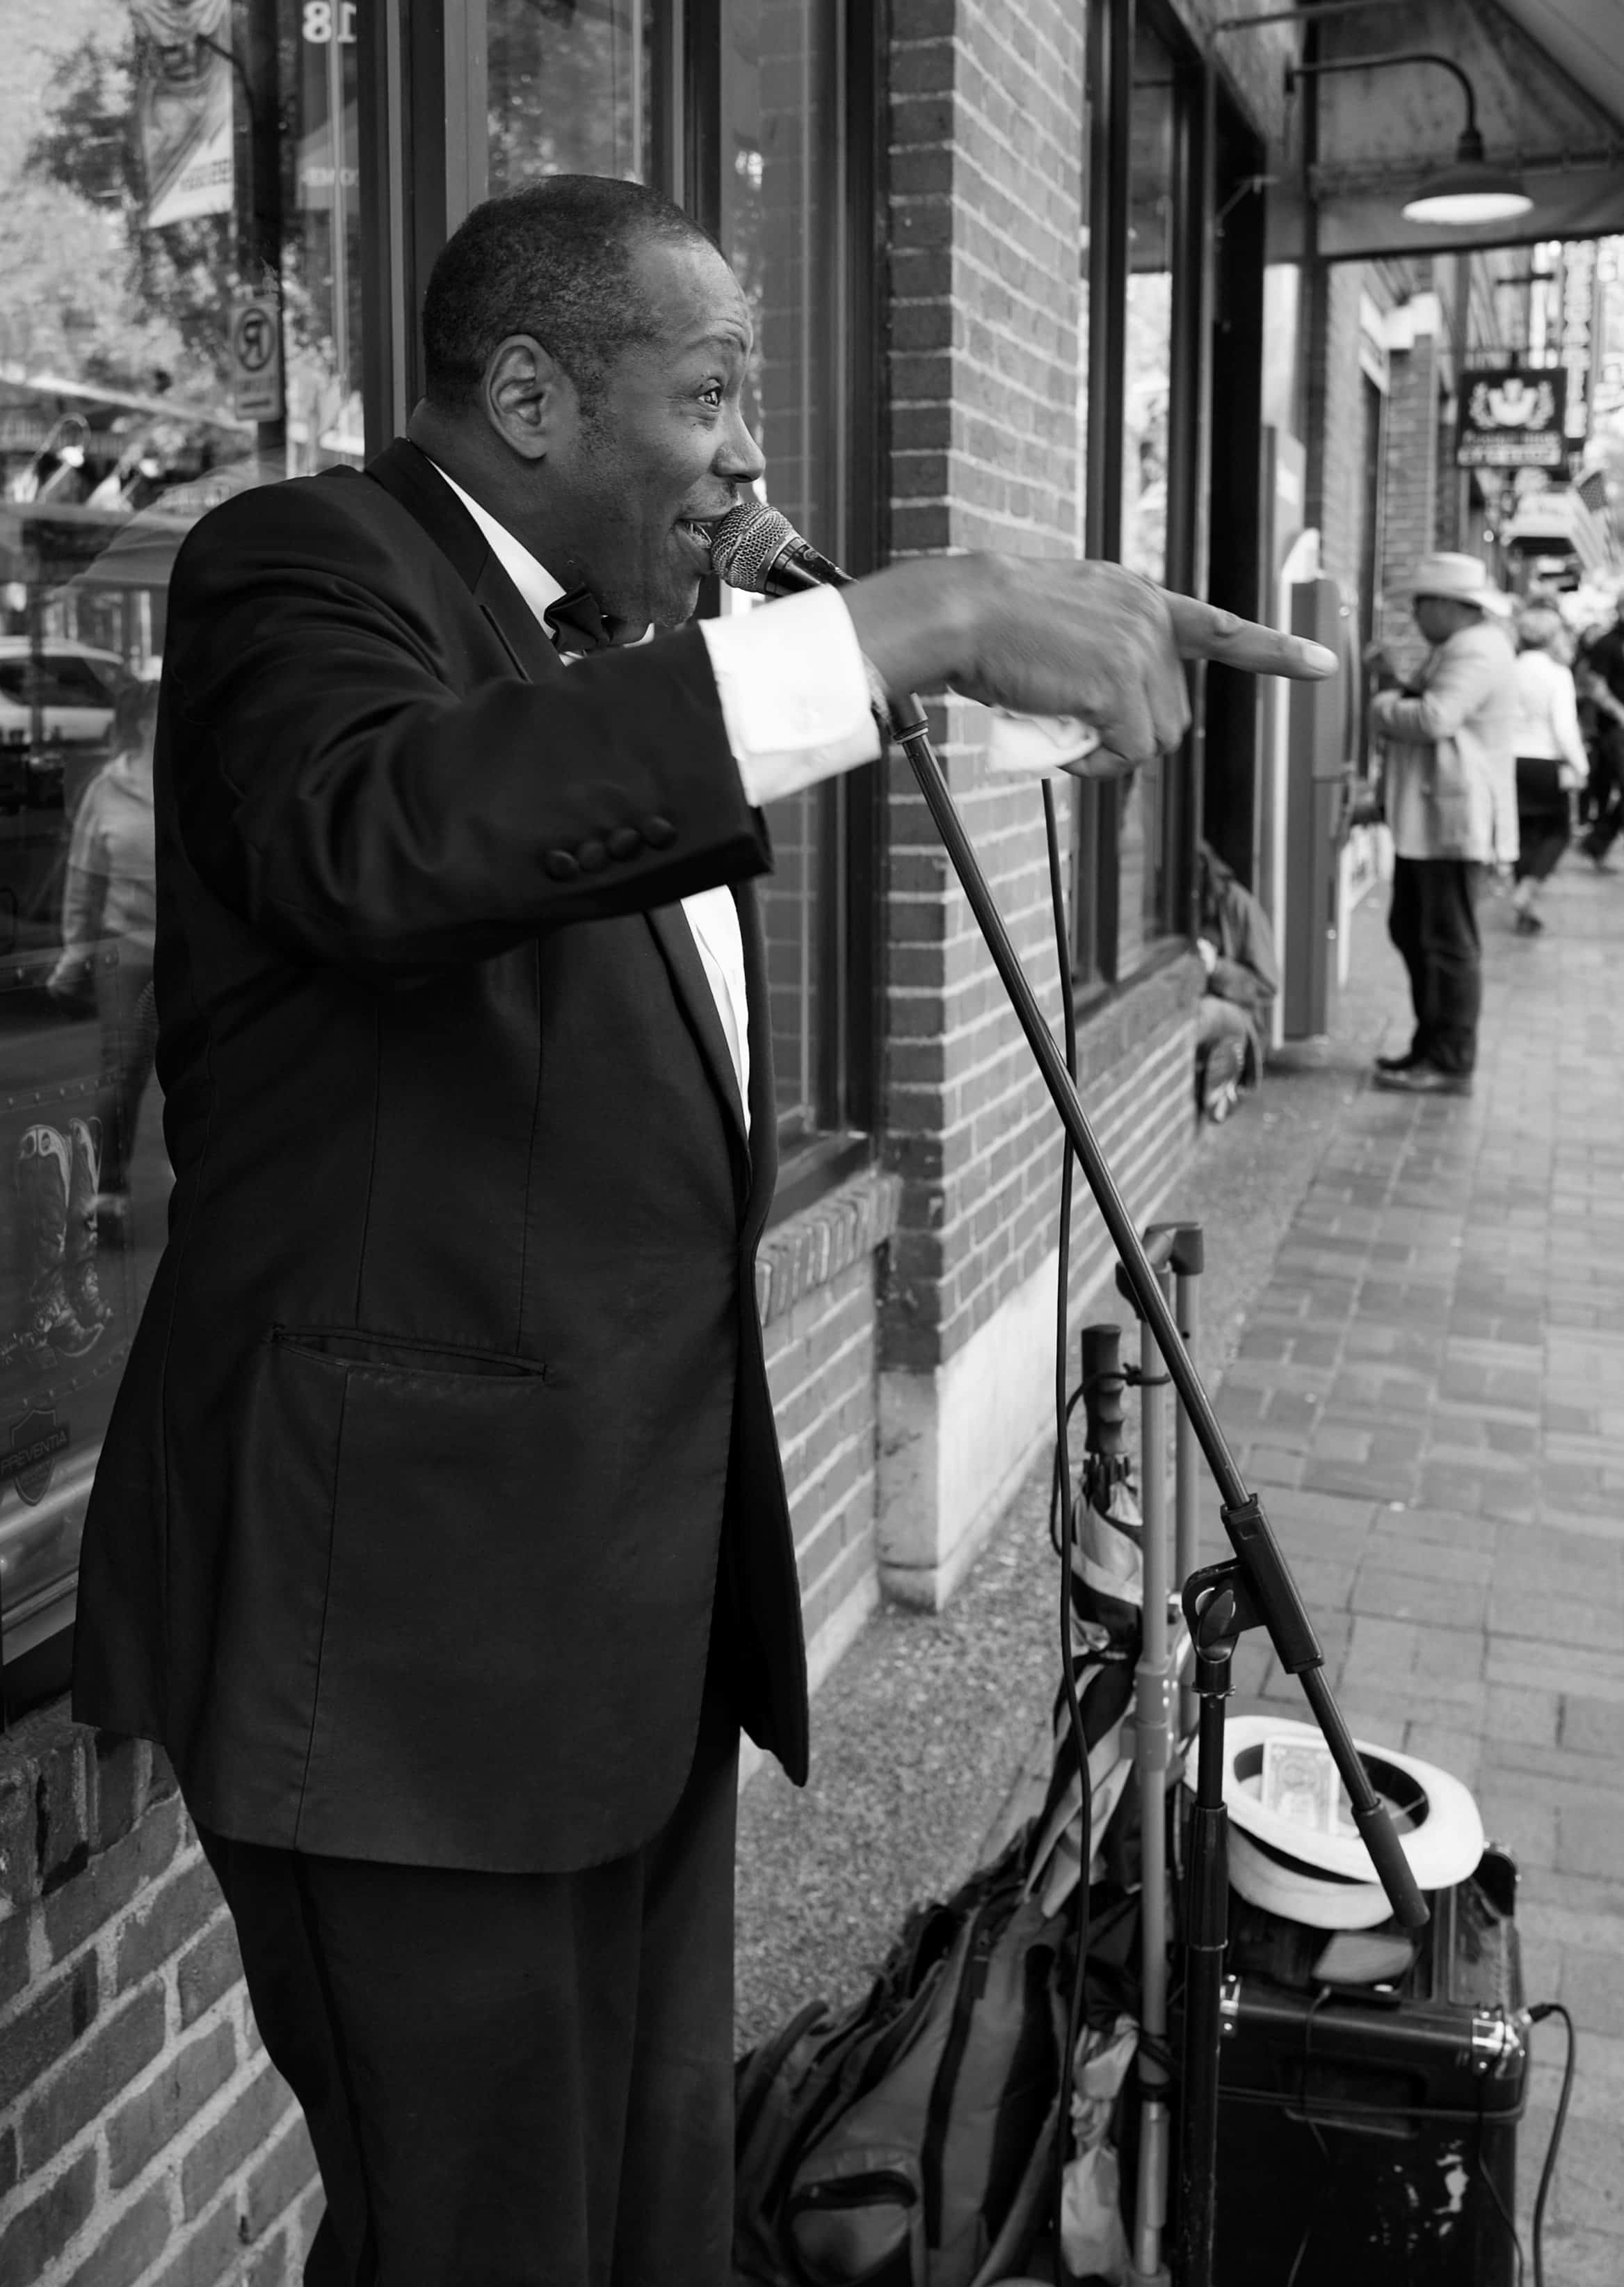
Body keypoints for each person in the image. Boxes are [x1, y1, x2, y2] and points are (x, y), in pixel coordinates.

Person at [70, 176, 1335, 2287]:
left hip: (619, 1621)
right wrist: (911, 618)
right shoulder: (302, 564)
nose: (751, 452)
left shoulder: (625, 659)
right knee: (481, 2235)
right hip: (399, 1659)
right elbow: (387, 836)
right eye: (712, 393)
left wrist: (963, 659)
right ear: (530, 396)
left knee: (645, 2212)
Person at [1368, 552, 1517, 1098]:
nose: (1413, 615)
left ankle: (1449, 1060)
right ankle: (1430, 1046)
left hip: (1451, 824)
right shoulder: (1461, 646)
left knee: (1446, 943)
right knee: (1414, 931)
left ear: (1446, 605)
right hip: (1432, 820)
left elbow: (1434, 718)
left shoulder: (1476, 649)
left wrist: (1381, 701)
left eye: (1419, 604)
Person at [47, 677, 161, 1219]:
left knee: (206, 1069)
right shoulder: (107, 790)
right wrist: (75, 950)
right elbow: (84, 876)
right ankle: (109, 1190)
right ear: (145, 724)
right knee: (123, 1070)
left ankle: (208, 1184)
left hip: (192, 950)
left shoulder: (193, 777)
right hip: (128, 948)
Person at [1508, 596, 1587, 934]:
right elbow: (1564, 727)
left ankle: (1523, 896)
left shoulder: (1509, 669)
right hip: (1545, 760)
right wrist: (1580, 765)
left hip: (1510, 759)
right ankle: (1529, 886)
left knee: (1522, 833)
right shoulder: (1557, 674)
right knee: (1558, 830)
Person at [1193, 840, 1278, 1123]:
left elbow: (1267, 985)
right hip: (1203, 1000)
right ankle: (1221, 1078)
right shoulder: (1183, 906)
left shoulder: (1240, 905)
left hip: (1238, 1014)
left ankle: (1235, 1066)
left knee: (1198, 1015)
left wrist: (1216, 967)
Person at [1575, 587, 1624, 868]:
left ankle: (1598, 841)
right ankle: (1598, 841)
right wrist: (1620, 713)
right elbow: (1595, 684)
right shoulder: (1608, 644)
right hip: (1615, 729)